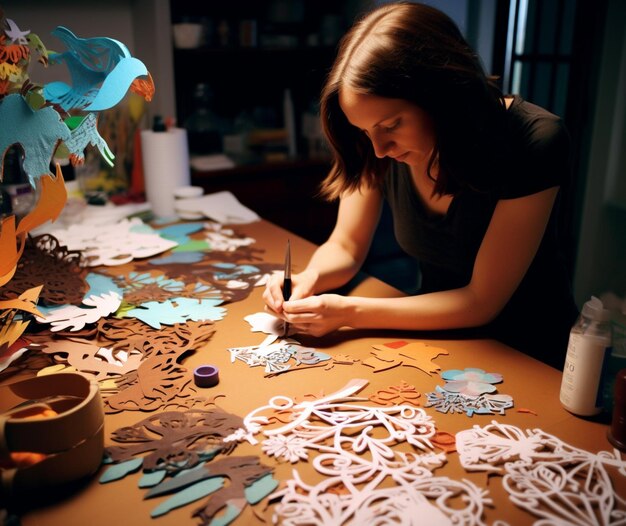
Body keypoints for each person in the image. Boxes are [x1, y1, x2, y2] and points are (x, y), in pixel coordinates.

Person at [263, 1, 579, 369]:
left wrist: (348, 311)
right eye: (364, 131)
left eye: (391, 125)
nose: (379, 149)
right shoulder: (377, 145)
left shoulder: (536, 140)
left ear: (441, 96)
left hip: (531, 353)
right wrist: (309, 280)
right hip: (442, 337)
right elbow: (346, 245)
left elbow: (481, 301)